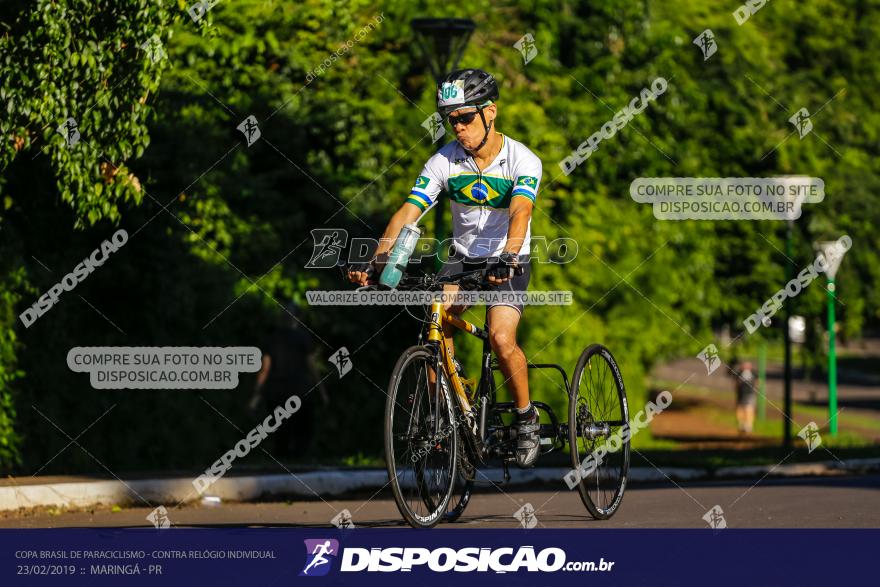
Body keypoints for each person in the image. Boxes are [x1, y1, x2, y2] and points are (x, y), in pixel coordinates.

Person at [348, 68, 544, 468]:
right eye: (449, 119)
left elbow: (521, 210)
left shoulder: (522, 160)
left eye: (465, 117)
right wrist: (378, 259)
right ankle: (450, 413)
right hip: (463, 257)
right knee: (436, 323)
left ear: (491, 113)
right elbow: (409, 211)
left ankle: (527, 419)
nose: (457, 127)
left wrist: (507, 256)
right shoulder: (443, 161)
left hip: (510, 256)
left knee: (501, 339)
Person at [249, 302, 327, 457]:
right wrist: (322, 392)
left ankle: (282, 464)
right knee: (303, 431)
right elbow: (312, 367)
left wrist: (255, 397)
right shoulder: (303, 339)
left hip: (276, 392)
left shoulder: (272, 339)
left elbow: (265, 369)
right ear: (297, 319)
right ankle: (299, 462)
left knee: (280, 433)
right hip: (300, 391)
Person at [734, 360, 757, 434]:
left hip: (750, 394)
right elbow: (736, 384)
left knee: (749, 409)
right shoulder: (739, 374)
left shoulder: (754, 374)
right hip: (741, 394)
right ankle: (741, 424)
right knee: (740, 409)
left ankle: (748, 425)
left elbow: (758, 383)